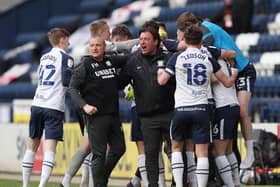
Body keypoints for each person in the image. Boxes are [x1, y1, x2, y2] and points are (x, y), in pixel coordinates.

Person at [157, 25, 238, 187]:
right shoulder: (208, 59)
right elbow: (227, 83)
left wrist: (160, 67)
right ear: (201, 41)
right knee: (201, 152)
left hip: (181, 109)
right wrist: (234, 71)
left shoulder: (177, 57)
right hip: (202, 108)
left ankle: (179, 185)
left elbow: (162, 81)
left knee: (177, 147)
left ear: (184, 40)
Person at [176, 12, 256, 169]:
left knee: (242, 112)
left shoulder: (206, 32)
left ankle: (251, 152)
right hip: (230, 71)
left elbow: (204, 54)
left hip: (243, 70)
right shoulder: (204, 29)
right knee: (230, 124)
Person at [68, 35, 126, 187]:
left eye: (98, 45)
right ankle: (99, 183)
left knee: (119, 149)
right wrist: (84, 105)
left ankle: (101, 177)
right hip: (96, 116)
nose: (94, 48)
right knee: (99, 154)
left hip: (113, 115)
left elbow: (130, 59)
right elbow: (72, 89)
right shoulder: (84, 66)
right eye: (92, 45)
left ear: (104, 47)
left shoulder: (111, 61)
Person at [21, 27, 74, 187]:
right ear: (63, 39)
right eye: (68, 40)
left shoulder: (44, 57)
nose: (69, 43)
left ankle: (25, 184)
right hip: (53, 106)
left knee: (31, 146)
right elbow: (67, 82)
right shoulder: (67, 58)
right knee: (50, 149)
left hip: (37, 104)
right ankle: (42, 185)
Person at [211, 58, 241, 187]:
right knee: (228, 150)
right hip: (233, 106)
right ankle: (236, 182)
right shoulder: (226, 62)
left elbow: (212, 79)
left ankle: (230, 184)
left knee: (218, 151)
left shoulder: (216, 63)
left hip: (223, 107)